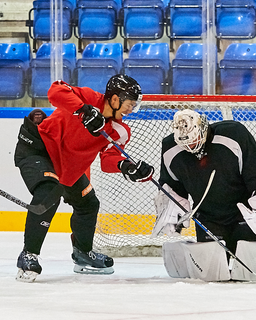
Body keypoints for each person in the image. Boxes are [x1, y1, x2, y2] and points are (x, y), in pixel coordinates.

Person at [14, 74, 154, 282]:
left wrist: (126, 166)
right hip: (40, 149)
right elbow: (55, 91)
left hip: (66, 166)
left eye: (134, 104)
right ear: (115, 99)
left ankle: (82, 253)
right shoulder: (89, 99)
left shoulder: (120, 130)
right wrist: (83, 110)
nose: (131, 108)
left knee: (88, 203)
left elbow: (109, 160)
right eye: (129, 103)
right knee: (47, 192)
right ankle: (29, 254)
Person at [152, 109, 256, 280]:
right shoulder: (170, 148)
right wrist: (173, 207)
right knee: (211, 275)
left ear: (203, 128)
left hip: (244, 214)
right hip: (208, 218)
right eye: (185, 145)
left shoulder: (233, 134)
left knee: (251, 273)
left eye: (194, 141)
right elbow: (172, 184)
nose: (191, 148)